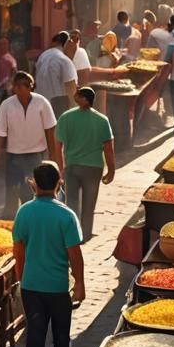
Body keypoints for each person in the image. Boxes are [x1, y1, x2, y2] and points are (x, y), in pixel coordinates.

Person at [12, 161, 85, 347]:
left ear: (33, 184)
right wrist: (80, 284)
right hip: (57, 287)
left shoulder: (24, 212)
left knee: (35, 335)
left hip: (32, 286)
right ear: (58, 183)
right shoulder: (66, 216)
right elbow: (75, 256)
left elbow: (18, 250)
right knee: (61, 334)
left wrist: (21, 279)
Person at [0, 71, 58, 220]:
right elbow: (0, 133)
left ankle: (32, 222)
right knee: (11, 195)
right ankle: (10, 226)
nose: (22, 89)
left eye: (26, 86)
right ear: (13, 87)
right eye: (18, 86)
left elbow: (50, 131)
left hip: (36, 156)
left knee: (32, 194)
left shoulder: (42, 103)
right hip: (13, 156)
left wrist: (53, 157)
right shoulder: (7, 105)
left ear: (31, 87)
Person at [55, 87, 114, 242]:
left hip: (72, 167)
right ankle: (86, 234)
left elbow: (58, 146)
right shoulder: (102, 120)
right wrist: (111, 170)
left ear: (81, 98)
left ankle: (73, 234)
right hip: (93, 168)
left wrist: (60, 168)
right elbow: (108, 148)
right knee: (89, 204)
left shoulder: (65, 118)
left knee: (72, 202)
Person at [34, 32, 78, 117]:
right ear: (68, 43)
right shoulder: (64, 60)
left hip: (40, 105)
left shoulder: (42, 57)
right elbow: (71, 86)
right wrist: (75, 112)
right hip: (59, 107)